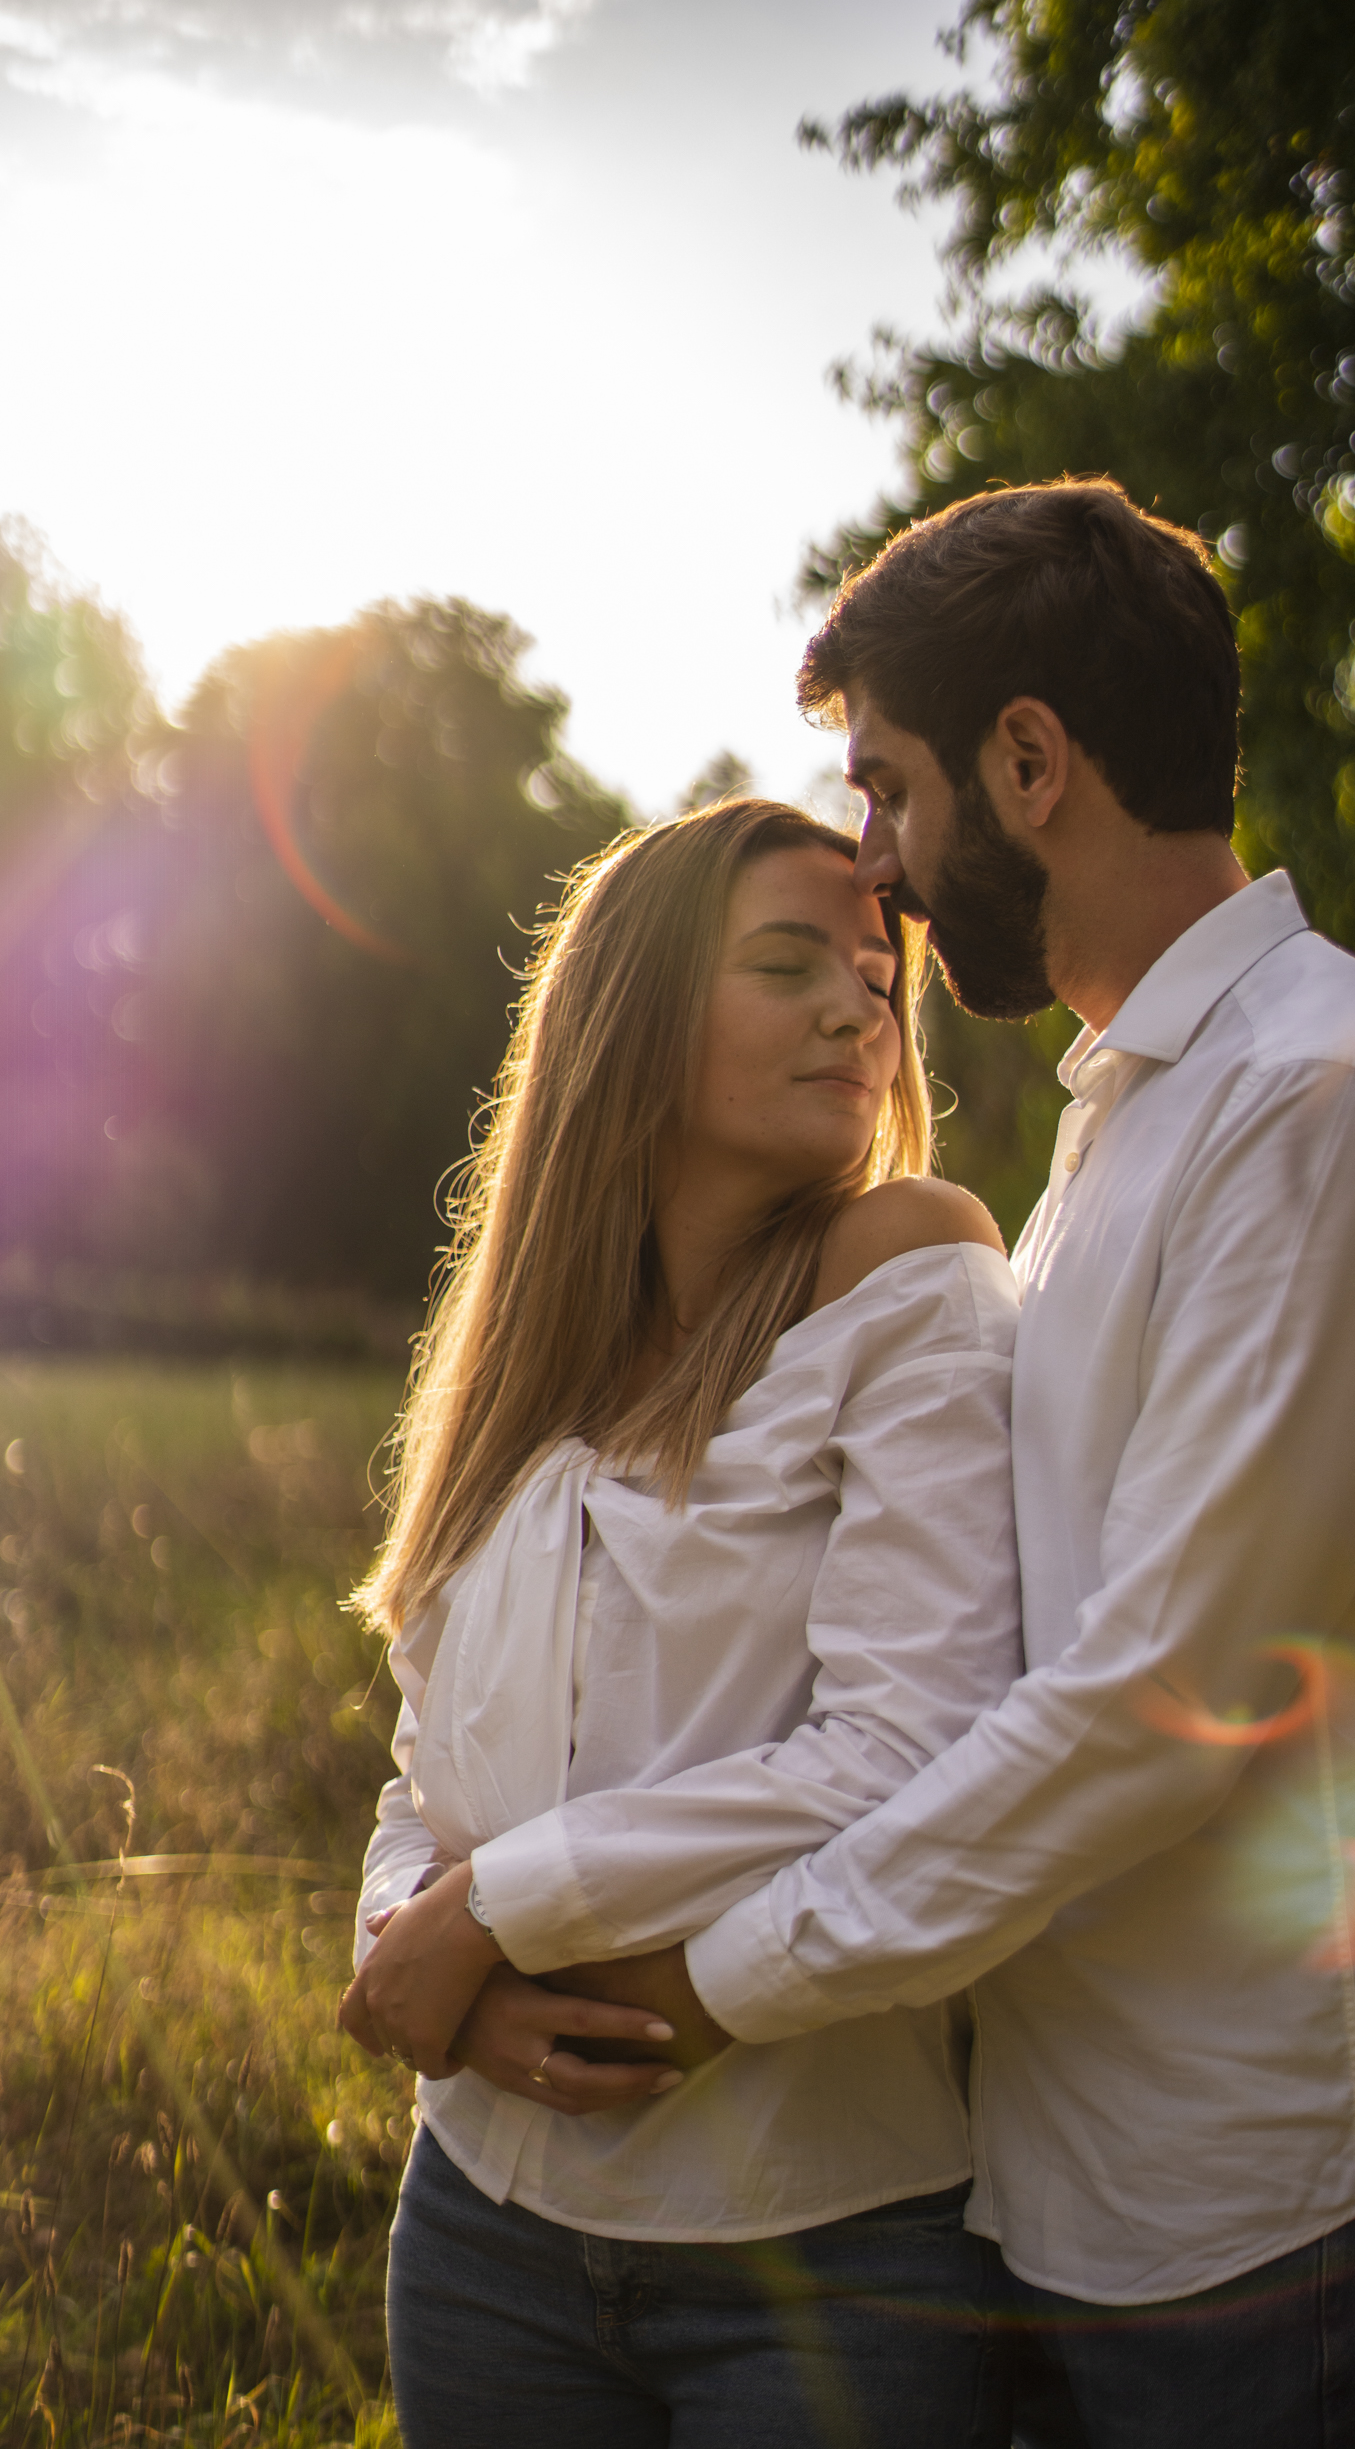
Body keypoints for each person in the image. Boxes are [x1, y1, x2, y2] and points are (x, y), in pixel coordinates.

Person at [430, 480, 1355, 2448]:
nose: (883, 866)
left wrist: (716, 1981)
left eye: (887, 788)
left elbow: (1164, 1700)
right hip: (1087, 2191)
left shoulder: (1316, 1102)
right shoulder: (1131, 1131)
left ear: (1030, 760)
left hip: (1276, 2200)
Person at [338, 797, 1023, 2449]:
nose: (859, 1008)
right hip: (483, 2226)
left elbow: (904, 1752)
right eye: (788, 965)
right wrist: (413, 1949)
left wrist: (495, 1912)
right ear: (633, 1023)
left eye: (873, 976)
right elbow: (426, 1767)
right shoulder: (525, 1362)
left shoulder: (908, 1266)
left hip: (822, 2247)